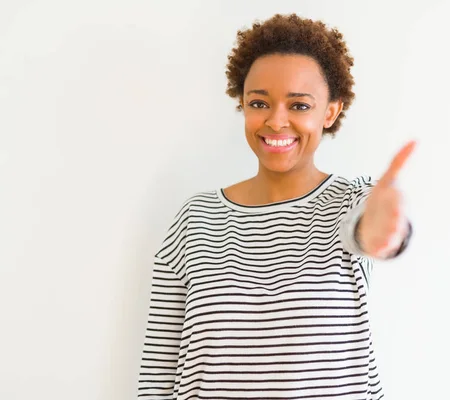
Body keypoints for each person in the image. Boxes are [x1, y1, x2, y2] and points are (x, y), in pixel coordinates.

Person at [137, 13, 415, 400]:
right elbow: (158, 371)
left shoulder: (352, 202)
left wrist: (385, 232)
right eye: (259, 103)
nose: (276, 121)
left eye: (299, 106)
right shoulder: (195, 219)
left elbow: (368, 233)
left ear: (329, 112)